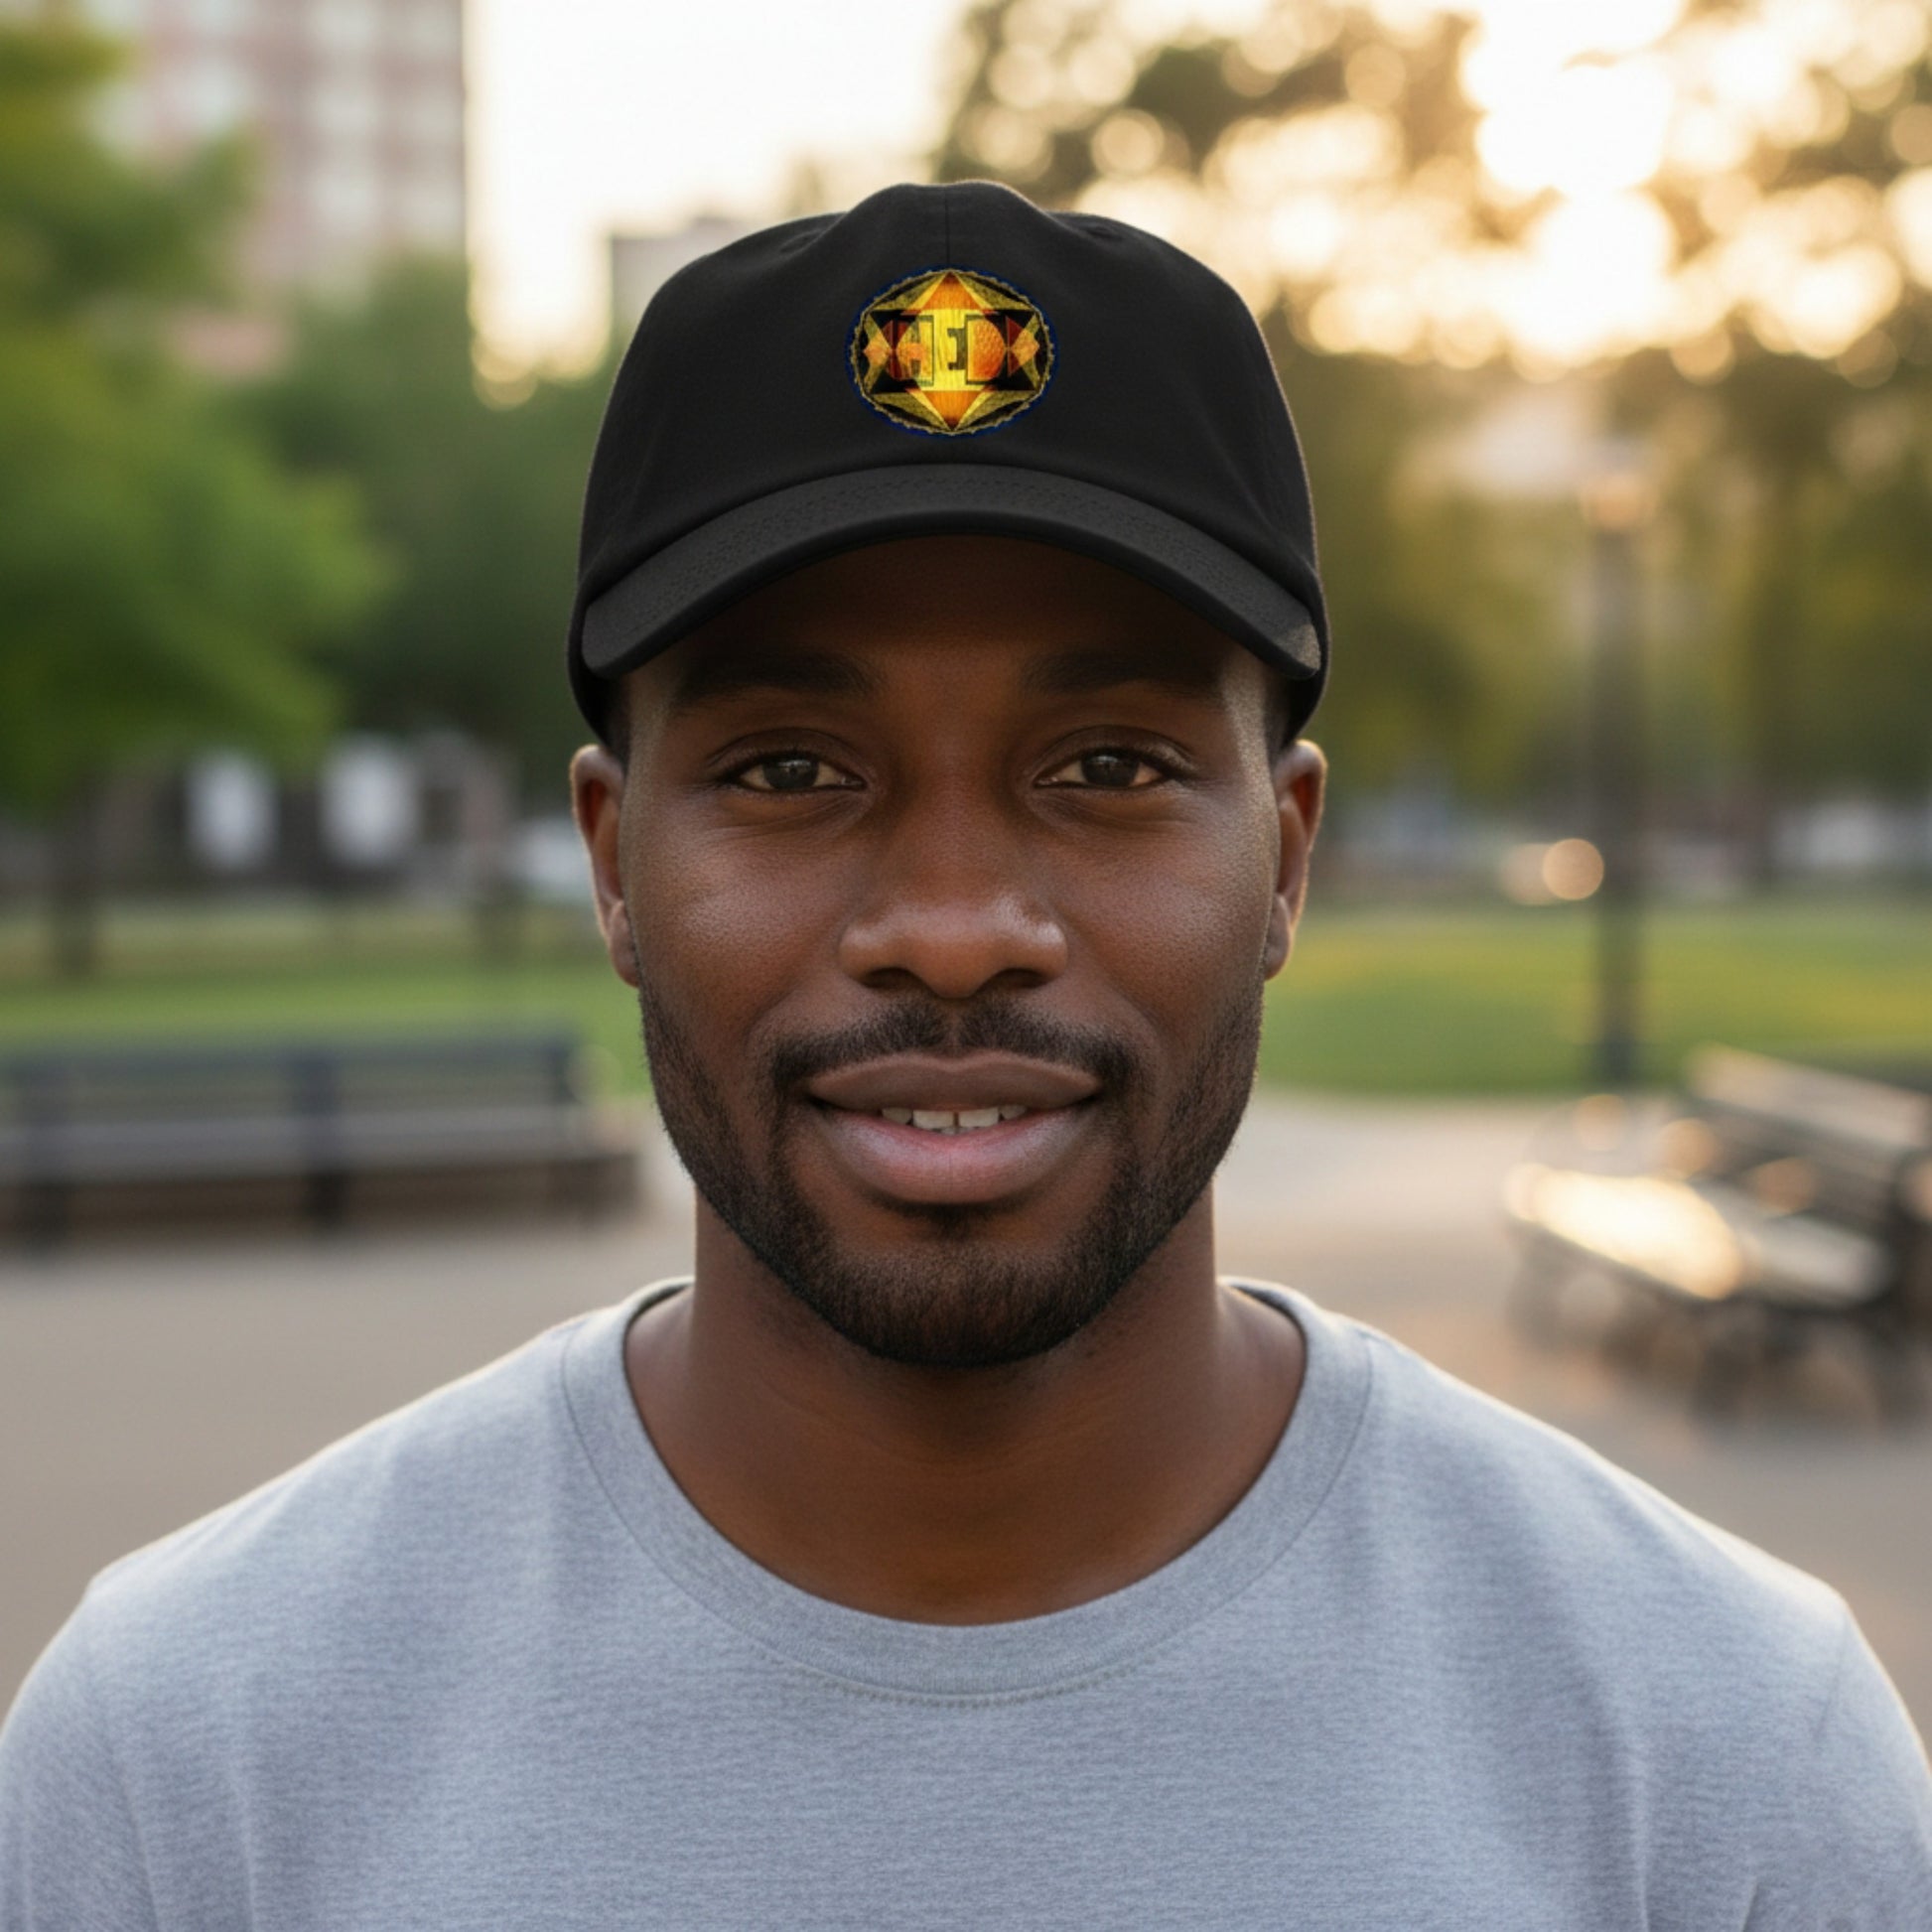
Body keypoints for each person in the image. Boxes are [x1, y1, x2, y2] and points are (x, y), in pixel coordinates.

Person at [2, 181, 1928, 1929]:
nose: (948, 918)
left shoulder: (1723, 1757)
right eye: (787, 770)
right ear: (612, 860)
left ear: (1285, 851)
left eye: (1107, 766)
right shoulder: (195, 1756)